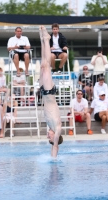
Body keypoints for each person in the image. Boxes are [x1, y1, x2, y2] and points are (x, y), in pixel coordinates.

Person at [39, 26, 63, 159]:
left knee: (43, 65)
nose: (48, 135)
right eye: (50, 138)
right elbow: (55, 146)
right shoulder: (57, 127)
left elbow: (53, 144)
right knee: (47, 64)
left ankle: (42, 39)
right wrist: (54, 161)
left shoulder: (50, 125)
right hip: (49, 91)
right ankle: (47, 40)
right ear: (56, 138)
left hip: (44, 92)